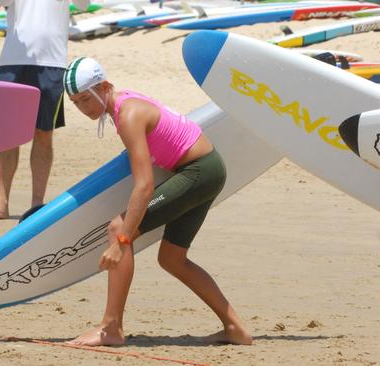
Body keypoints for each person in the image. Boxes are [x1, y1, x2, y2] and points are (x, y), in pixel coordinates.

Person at [63, 57, 252, 347]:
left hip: (198, 172)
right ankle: (235, 328)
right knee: (172, 259)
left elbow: (145, 185)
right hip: (207, 169)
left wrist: (122, 241)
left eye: (85, 99)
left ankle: (110, 329)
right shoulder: (122, 104)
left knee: (118, 229)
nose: (82, 108)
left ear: (104, 86)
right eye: (75, 103)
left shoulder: (127, 115)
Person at [0, 0, 90, 220]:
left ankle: (37, 203)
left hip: (52, 61)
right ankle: (2, 204)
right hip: (13, 60)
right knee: (8, 137)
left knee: (44, 133)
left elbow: (83, 4)